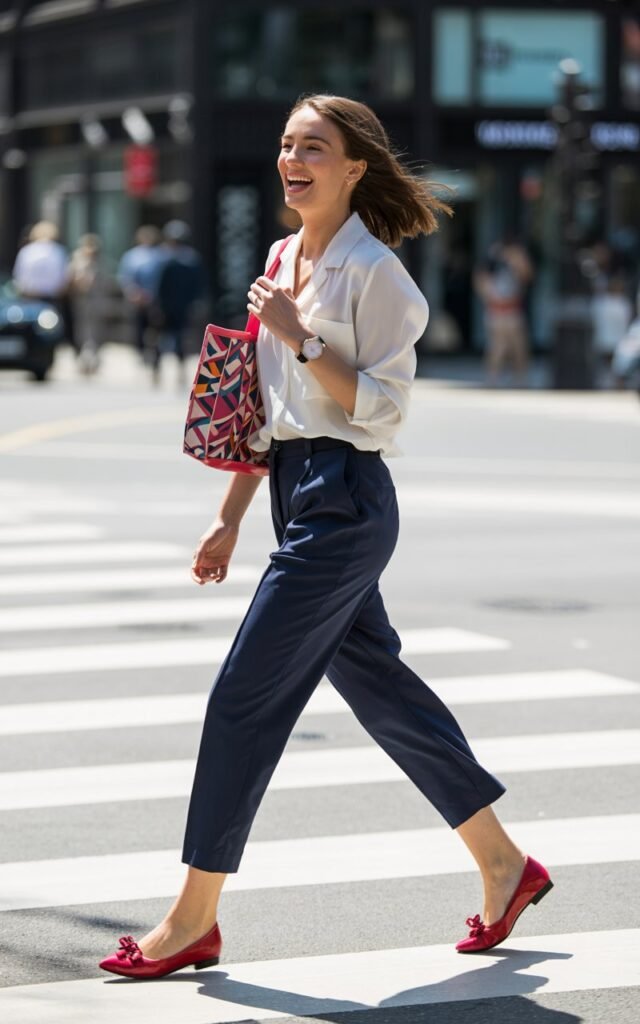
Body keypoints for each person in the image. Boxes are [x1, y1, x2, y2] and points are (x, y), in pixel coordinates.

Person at [99, 95, 552, 980]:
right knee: (383, 691)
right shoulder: (280, 257)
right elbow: (266, 415)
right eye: (285, 144)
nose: (292, 158)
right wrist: (229, 519)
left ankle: (193, 918)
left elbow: (381, 408)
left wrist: (300, 339)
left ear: (355, 168)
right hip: (294, 492)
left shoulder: (379, 274)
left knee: (241, 698)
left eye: (315, 146)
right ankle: (506, 864)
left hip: (347, 501)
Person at [474, 239, 533, 386]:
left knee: (518, 346)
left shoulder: (516, 263)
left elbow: (527, 276)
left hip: (513, 310)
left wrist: (518, 261)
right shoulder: (491, 263)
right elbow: (481, 282)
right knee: (497, 346)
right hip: (497, 310)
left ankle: (520, 378)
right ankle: (492, 377)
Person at [153, 220, 205, 385]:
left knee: (161, 338)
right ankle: (177, 371)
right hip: (183, 306)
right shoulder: (191, 259)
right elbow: (199, 286)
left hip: (168, 306)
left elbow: (159, 285)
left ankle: (158, 370)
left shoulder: (164, 258)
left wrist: (157, 305)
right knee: (180, 338)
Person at [12, 220, 71, 338]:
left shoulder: (26, 251)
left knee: (26, 332)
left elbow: (18, 279)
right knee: (52, 335)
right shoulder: (58, 251)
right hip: (52, 299)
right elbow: (65, 279)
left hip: (29, 299)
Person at [117, 225, 164, 365]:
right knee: (138, 328)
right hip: (136, 299)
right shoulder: (132, 256)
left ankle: (155, 354)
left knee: (155, 329)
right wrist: (134, 293)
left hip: (154, 299)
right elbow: (125, 277)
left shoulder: (159, 255)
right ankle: (141, 353)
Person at [68, 234, 112, 375]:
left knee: (97, 333)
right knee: (83, 333)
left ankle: (94, 360)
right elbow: (74, 282)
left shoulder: (101, 264)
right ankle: (85, 361)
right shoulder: (78, 262)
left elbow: (106, 285)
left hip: (97, 304)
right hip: (82, 303)